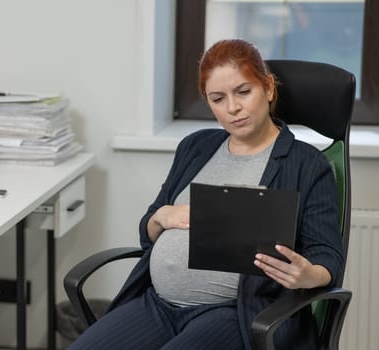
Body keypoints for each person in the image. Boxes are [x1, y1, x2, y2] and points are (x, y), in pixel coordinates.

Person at [68, 39, 344, 350]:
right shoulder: (195, 147)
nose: (232, 108)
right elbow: (149, 232)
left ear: (267, 88)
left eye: (243, 92)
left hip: (235, 312)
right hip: (157, 305)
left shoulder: (305, 164)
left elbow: (327, 257)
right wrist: (161, 217)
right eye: (218, 99)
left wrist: (308, 275)